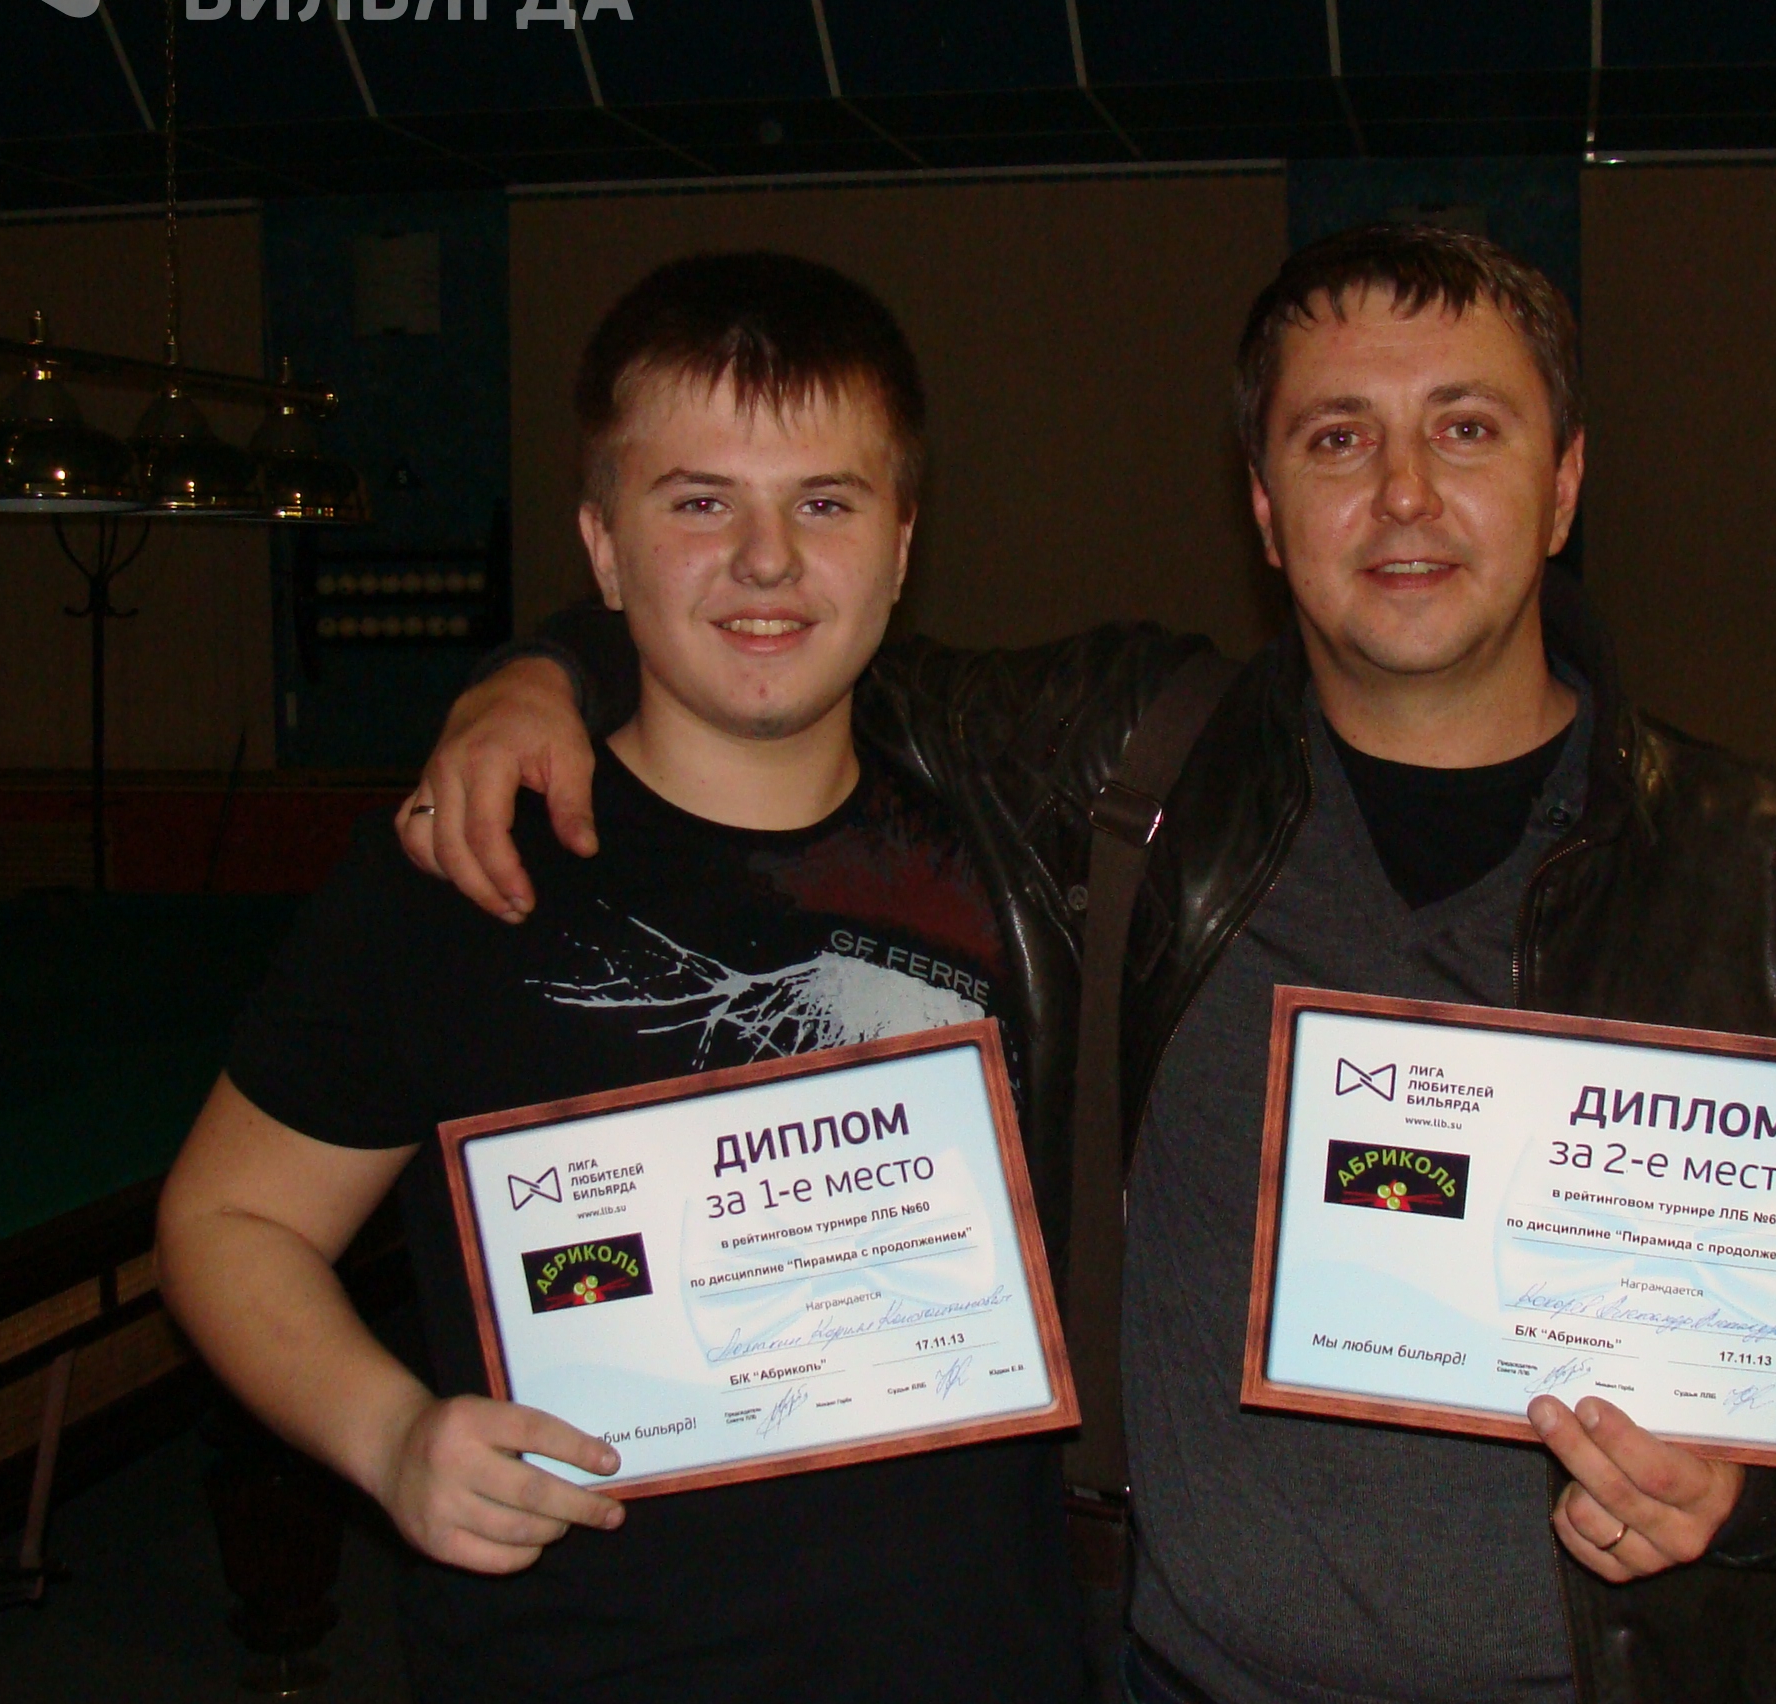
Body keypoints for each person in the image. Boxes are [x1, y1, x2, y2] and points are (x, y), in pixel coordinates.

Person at [399, 224, 1776, 1704]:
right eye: (1336, 440)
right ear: (1263, 507)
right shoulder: (1120, 763)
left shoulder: (1774, 874)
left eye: (1466, 429)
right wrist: (545, 670)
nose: (1404, 496)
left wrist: (1756, 1487)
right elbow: (780, 620)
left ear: (1565, 484)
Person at [156, 252, 1086, 1704]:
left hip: (976, 1658)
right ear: (602, 549)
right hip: (577, 1662)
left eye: (825, 504)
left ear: (903, 544)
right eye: (698, 503)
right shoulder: (462, 864)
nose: (766, 561)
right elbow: (229, 1217)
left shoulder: (1019, 859)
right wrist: (391, 1439)